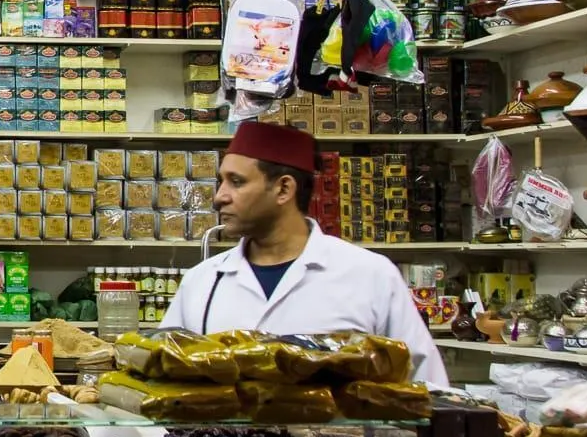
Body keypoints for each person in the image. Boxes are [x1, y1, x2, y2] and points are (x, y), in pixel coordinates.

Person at [161, 119, 448, 385]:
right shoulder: (202, 281)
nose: (219, 196)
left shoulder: (370, 274)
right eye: (221, 181)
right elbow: (164, 379)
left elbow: (428, 386)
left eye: (236, 182)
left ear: (284, 189)